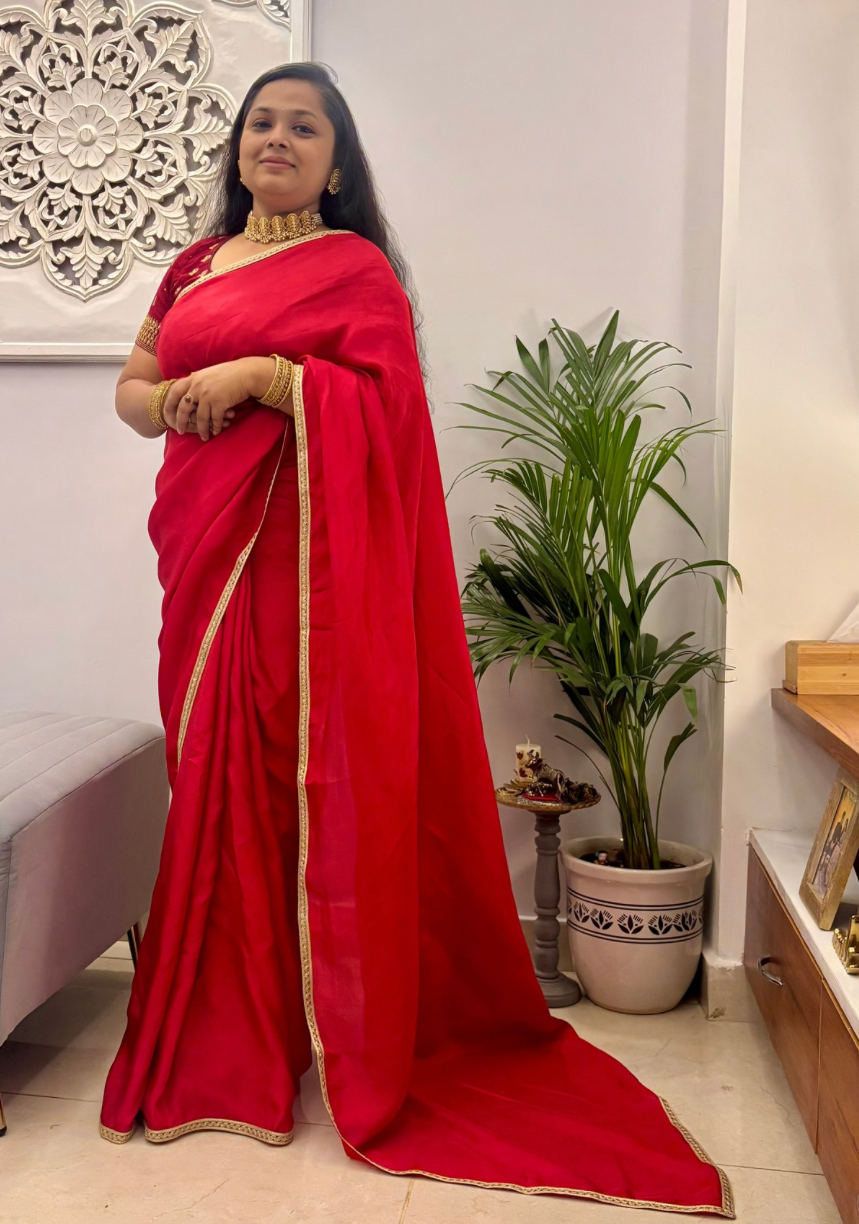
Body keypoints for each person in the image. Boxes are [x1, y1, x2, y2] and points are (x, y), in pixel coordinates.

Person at [99, 62, 733, 1217]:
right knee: (212, 778)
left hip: (305, 572)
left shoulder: (356, 272)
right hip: (202, 557)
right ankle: (225, 1037)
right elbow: (135, 384)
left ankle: (314, 1026)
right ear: (236, 148)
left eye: (304, 126)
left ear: (338, 165)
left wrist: (265, 375)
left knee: (291, 775)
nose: (276, 138)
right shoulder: (192, 266)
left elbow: (382, 407)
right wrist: (176, 401)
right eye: (261, 122)